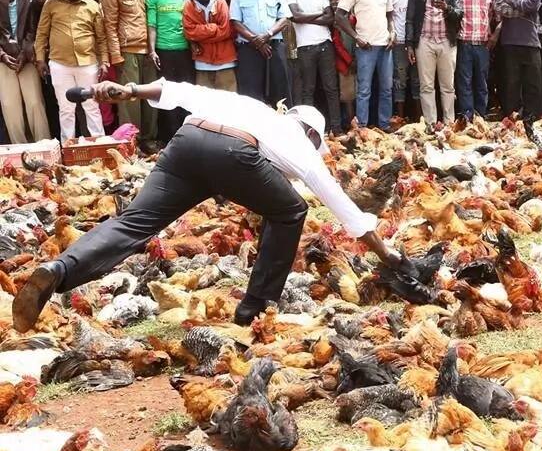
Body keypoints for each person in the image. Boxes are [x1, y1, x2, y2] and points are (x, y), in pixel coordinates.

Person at [11, 78, 413, 332]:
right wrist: (389, 255)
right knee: (291, 210)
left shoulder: (250, 105)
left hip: (187, 143)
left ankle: (58, 269)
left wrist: (129, 90)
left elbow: (179, 91)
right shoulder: (302, 147)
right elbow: (345, 209)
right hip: (234, 153)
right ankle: (253, 309)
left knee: (134, 223)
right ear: (311, 134)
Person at [34, 0, 108, 141]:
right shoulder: (51, 3)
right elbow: (41, 33)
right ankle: (68, 147)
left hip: (87, 63)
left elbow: (102, 38)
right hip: (60, 64)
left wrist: (104, 61)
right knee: (66, 109)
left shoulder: (92, 5)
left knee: (92, 106)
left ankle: (100, 144)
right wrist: (40, 59)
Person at [335, 0, 394, 129]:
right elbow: (339, 15)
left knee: (386, 89)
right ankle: (361, 127)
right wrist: (356, 37)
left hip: (385, 45)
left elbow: (389, 15)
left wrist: (393, 32)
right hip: (365, 47)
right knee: (364, 91)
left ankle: (384, 125)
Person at [405, 0, 462, 125]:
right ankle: (430, 124)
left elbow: (459, 14)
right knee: (426, 86)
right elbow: (409, 19)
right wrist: (409, 45)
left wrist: (447, 7)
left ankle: (449, 123)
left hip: (446, 41)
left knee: (448, 85)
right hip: (424, 41)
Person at [286, 0, 341, 134]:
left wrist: (305, 17)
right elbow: (295, 16)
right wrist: (318, 15)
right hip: (305, 47)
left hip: (325, 45)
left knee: (331, 88)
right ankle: (310, 129)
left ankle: (337, 128)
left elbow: (330, 18)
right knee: (308, 89)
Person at [230, 0, 291, 108]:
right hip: (249, 49)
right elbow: (235, 22)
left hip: (274, 47)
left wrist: (267, 35)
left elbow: (284, 18)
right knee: (251, 94)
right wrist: (256, 41)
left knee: (280, 90)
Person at [0, 0, 50, 143]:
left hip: (26, 57)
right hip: (4, 59)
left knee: (35, 102)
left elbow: (33, 29)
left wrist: (24, 52)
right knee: (9, 105)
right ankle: (18, 148)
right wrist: (2, 56)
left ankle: (44, 145)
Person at [146, 0, 192, 142]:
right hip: (163, 52)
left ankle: (186, 134)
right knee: (167, 94)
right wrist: (152, 51)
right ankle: (169, 137)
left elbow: (189, 23)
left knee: (185, 92)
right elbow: (151, 25)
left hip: (184, 51)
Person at [494, 0, 542, 121]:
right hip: (509, 40)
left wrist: (513, 1)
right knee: (511, 84)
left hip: (530, 40)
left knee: (533, 84)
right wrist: (523, 8)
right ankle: (512, 120)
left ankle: (533, 119)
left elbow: (534, 6)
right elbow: (499, 8)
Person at [456, 0, 496, 119]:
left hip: (483, 45)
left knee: (482, 83)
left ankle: (480, 117)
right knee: (464, 83)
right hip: (464, 43)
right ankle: (467, 117)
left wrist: (494, 36)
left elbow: (498, 16)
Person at [182, 0, 237, 92]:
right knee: (204, 103)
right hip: (202, 61)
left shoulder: (221, 3)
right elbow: (189, 31)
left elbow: (225, 30)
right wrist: (213, 28)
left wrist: (200, 37)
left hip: (225, 61)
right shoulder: (189, 5)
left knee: (228, 101)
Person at [388, 0, 419, 121]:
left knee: (417, 81)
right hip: (398, 42)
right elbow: (388, 16)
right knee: (399, 81)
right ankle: (399, 119)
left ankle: (419, 119)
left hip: (416, 42)